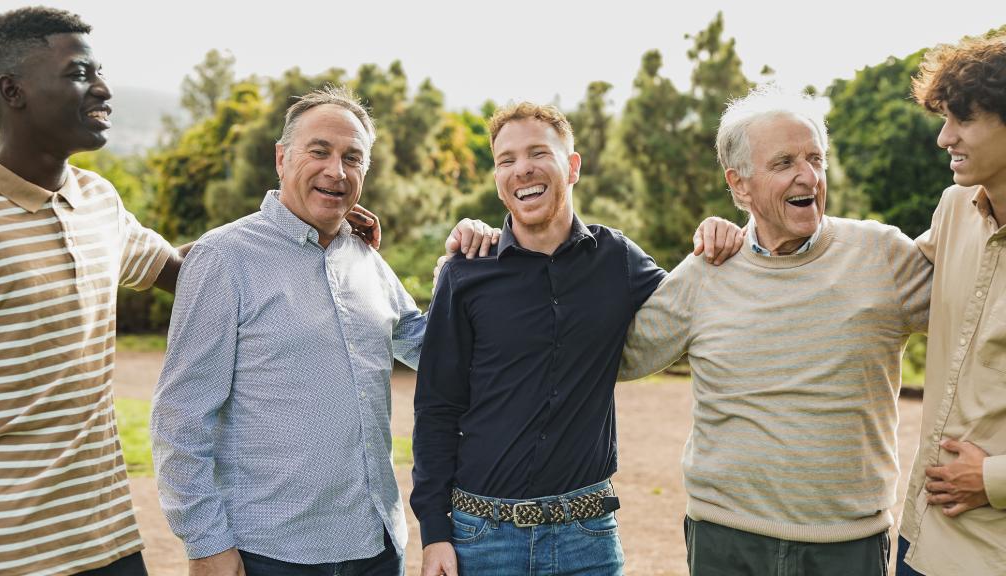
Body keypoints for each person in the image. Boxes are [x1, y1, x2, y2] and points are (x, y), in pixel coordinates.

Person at [149, 86, 498, 576]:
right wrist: (205, 544)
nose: (337, 170)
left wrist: (463, 269)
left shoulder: (363, 256)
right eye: (320, 152)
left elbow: (429, 347)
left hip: (376, 546)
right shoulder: (223, 258)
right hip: (270, 553)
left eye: (352, 158)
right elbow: (180, 417)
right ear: (281, 158)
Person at [619, 86, 933, 576]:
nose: (807, 175)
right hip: (725, 540)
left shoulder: (881, 255)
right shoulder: (708, 269)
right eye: (784, 162)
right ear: (740, 185)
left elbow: (976, 317)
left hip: (846, 543)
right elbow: (613, 355)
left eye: (815, 158)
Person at [411, 102, 666, 576]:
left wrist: (722, 238)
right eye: (505, 160)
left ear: (572, 166)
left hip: (587, 540)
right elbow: (436, 407)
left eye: (537, 153)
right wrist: (434, 533)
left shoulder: (617, 260)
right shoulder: (466, 274)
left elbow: (689, 308)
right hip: (481, 540)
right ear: (497, 179)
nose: (521, 168)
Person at [0, 8, 181, 575]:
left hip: (108, 538)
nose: (103, 88)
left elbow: (190, 272)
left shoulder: (97, 199)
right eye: (79, 73)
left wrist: (304, 221)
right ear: (12, 91)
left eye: (101, 71)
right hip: (6, 551)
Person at [896, 33, 1006, 576]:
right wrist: (750, 230)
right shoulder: (954, 207)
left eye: (963, 119)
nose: (945, 138)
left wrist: (993, 480)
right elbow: (874, 277)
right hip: (919, 536)